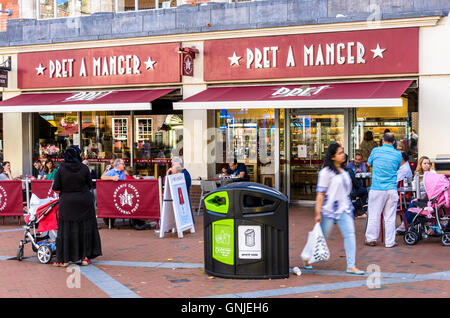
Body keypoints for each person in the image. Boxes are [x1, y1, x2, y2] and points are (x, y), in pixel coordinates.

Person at [305, 143, 364, 275]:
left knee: (350, 235)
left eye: (343, 152)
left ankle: (351, 265)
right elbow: (320, 193)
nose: (343, 155)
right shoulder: (325, 173)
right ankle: (308, 257)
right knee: (322, 236)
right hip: (328, 210)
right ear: (332, 157)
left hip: (344, 208)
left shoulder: (344, 172)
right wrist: (317, 212)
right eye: (339, 153)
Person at [52, 146, 102, 267]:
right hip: (84, 201)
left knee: (66, 229)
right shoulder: (84, 168)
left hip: (67, 202)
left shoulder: (61, 169)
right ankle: (84, 257)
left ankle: (64, 259)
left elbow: (56, 187)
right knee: (84, 228)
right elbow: (90, 185)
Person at [365, 133, 402, 248]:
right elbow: (396, 168)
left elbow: (368, 163)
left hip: (377, 188)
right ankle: (390, 242)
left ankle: (371, 239)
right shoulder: (398, 154)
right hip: (391, 189)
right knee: (390, 217)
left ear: (382, 140)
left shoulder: (375, 151)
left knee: (373, 215)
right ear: (394, 142)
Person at [397, 156, 435, 233]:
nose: (427, 165)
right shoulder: (417, 175)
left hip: (430, 198)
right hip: (419, 197)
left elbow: (434, 188)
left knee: (413, 204)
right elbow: (414, 187)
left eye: (428, 163)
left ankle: (404, 225)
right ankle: (407, 224)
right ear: (420, 164)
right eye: (425, 163)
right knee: (413, 202)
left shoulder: (432, 174)